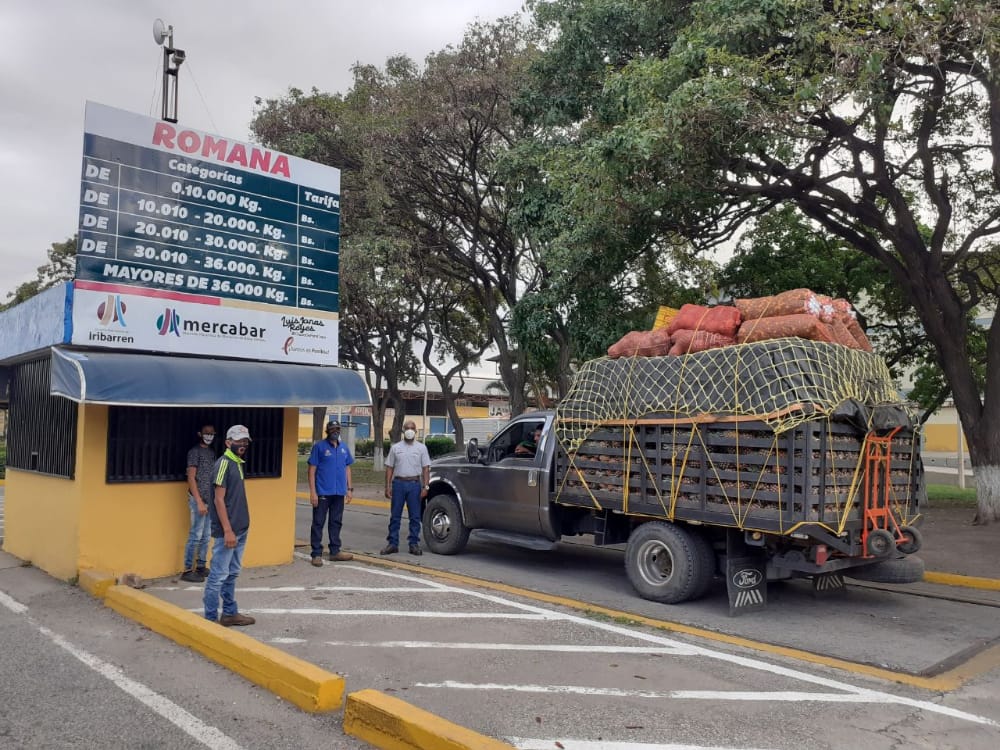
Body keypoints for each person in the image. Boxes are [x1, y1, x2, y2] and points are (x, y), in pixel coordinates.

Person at [203, 425, 255, 627]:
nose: (242, 444)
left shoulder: (237, 463)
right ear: (227, 442)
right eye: (238, 441)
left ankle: (229, 612)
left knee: (232, 573)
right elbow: (218, 500)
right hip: (229, 532)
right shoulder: (223, 464)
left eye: (245, 441)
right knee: (218, 575)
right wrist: (227, 531)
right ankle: (209, 619)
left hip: (240, 530)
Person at [307, 420, 355, 566]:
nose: (335, 431)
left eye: (337, 429)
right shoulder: (319, 447)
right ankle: (316, 554)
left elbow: (347, 468)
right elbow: (312, 470)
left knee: (336, 522)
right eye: (333, 429)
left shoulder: (344, 448)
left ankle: (335, 551)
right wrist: (313, 492)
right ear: (327, 431)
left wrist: (349, 489)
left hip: (339, 492)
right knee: (318, 523)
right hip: (322, 492)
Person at [382, 420, 431, 556]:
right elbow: (389, 467)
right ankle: (392, 543)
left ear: (416, 431)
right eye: (407, 428)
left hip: (415, 485)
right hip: (398, 484)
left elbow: (426, 468)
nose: (409, 430)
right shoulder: (395, 448)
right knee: (395, 516)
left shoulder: (421, 448)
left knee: (415, 517)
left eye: (412, 428)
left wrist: (426, 486)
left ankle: (413, 544)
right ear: (403, 431)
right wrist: (387, 486)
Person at [181, 424, 216, 583]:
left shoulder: (211, 453)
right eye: (206, 433)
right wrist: (199, 501)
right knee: (196, 535)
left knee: (206, 535)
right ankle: (188, 569)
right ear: (199, 434)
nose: (209, 436)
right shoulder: (194, 452)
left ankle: (201, 565)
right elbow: (191, 478)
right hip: (198, 500)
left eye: (211, 433)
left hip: (210, 500)